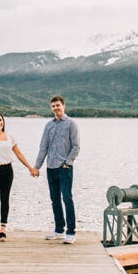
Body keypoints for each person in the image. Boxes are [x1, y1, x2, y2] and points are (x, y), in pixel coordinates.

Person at [0, 112, 39, 241]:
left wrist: (30, 167)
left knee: (5, 199)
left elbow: (19, 153)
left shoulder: (10, 136)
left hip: (7, 171)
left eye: (0, 120)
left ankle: (3, 229)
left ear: (3, 122)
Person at [34, 95, 80, 244]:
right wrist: (37, 166)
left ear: (64, 106)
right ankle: (59, 229)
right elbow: (43, 147)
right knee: (55, 200)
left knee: (67, 198)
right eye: (53, 106)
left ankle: (71, 232)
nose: (55, 108)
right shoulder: (49, 125)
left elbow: (76, 146)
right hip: (51, 167)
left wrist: (68, 162)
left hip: (64, 168)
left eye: (58, 105)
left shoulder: (71, 124)